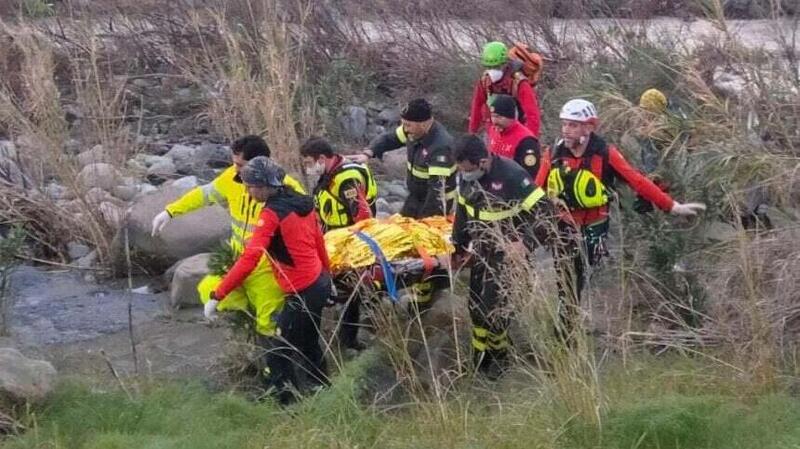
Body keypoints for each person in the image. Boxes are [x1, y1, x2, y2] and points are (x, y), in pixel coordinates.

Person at [547, 98, 706, 344]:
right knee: (567, 278)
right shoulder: (553, 153)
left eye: (573, 125)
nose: (566, 130)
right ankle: (565, 331)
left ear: (589, 127)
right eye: (564, 124)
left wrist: (672, 206)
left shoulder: (605, 153)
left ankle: (578, 321)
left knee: (583, 273)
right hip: (564, 225)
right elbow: (536, 189)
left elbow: (637, 180)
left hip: (595, 226)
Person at [150, 135, 305, 351]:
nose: (235, 169)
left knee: (269, 322)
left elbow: (305, 231)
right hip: (239, 260)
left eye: (240, 165)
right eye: (235, 163)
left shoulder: (286, 189)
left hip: (269, 267)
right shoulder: (232, 178)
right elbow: (205, 194)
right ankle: (252, 334)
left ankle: (280, 363)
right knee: (209, 289)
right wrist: (170, 212)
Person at [205, 156, 332, 404]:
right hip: (319, 282)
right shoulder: (302, 202)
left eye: (250, 186)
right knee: (308, 342)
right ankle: (321, 389)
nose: (247, 191)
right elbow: (318, 241)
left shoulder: (272, 214)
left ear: (264, 186)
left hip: (302, 291)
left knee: (277, 349)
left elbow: (250, 258)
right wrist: (329, 277)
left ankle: (286, 403)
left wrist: (218, 294)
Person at [451, 134, 549, 378]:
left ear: (483, 161)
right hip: (482, 251)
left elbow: (545, 212)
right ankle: (480, 356)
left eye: (468, 169)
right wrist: (458, 247)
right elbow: (463, 213)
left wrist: (525, 243)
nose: (465, 174)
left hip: (507, 256)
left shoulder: (512, 176)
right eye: (461, 170)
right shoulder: (466, 177)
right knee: (475, 307)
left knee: (494, 309)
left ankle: (501, 356)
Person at [351, 98, 456, 308]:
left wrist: (422, 224)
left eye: (409, 125)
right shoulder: (413, 132)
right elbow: (390, 138)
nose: (405, 129)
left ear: (424, 123)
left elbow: (437, 193)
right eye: (404, 124)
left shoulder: (440, 147)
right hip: (415, 196)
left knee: (426, 245)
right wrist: (369, 152)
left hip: (436, 204)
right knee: (402, 238)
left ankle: (426, 295)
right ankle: (402, 280)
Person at [300, 136, 378, 351]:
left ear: (321, 159)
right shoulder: (329, 173)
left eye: (309, 163)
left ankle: (349, 340)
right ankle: (348, 336)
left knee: (351, 292)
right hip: (334, 238)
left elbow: (362, 217)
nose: (307, 169)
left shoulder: (346, 179)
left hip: (349, 243)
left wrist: (352, 248)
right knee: (343, 291)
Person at [468, 41, 541, 138]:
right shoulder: (485, 81)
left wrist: (530, 140)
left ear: (505, 64)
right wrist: (471, 135)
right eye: (489, 67)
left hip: (518, 133)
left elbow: (532, 115)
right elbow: (476, 108)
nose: (492, 70)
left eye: (496, 67)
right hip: (493, 133)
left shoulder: (519, 83)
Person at [486, 94, 550, 187]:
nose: (494, 121)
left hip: (513, 188)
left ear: (510, 117)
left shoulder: (526, 140)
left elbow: (529, 176)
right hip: (492, 186)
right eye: (493, 116)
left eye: (499, 117)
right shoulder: (493, 130)